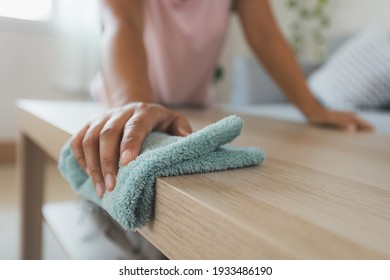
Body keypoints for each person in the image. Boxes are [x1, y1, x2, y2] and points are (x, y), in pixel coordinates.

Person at [71, 0, 372, 199]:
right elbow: (123, 25)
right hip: (121, 99)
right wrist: (133, 105)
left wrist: (313, 108)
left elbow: (265, 34)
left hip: (192, 106)